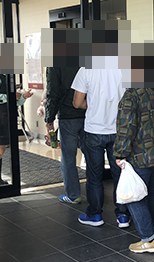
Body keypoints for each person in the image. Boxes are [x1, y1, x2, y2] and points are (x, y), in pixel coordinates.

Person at [114, 87, 154, 253]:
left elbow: (126, 127)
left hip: (140, 154)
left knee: (133, 196)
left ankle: (149, 239)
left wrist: (120, 153)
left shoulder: (132, 94)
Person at [71, 68, 129, 228]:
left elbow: (77, 103)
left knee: (94, 176)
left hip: (94, 130)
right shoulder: (125, 67)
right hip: (119, 130)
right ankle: (123, 216)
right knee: (120, 174)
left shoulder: (86, 69)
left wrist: (94, 105)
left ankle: (95, 215)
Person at [0, 74, 33, 187]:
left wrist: (23, 97)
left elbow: (15, 102)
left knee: (0, 150)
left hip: (4, 117)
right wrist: (10, 96)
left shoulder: (7, 77)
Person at [44, 67, 86, 204]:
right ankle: (96, 194)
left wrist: (49, 118)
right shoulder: (88, 57)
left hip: (68, 116)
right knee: (92, 155)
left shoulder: (55, 63)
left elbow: (53, 92)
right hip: (89, 113)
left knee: (68, 156)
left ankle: (73, 195)